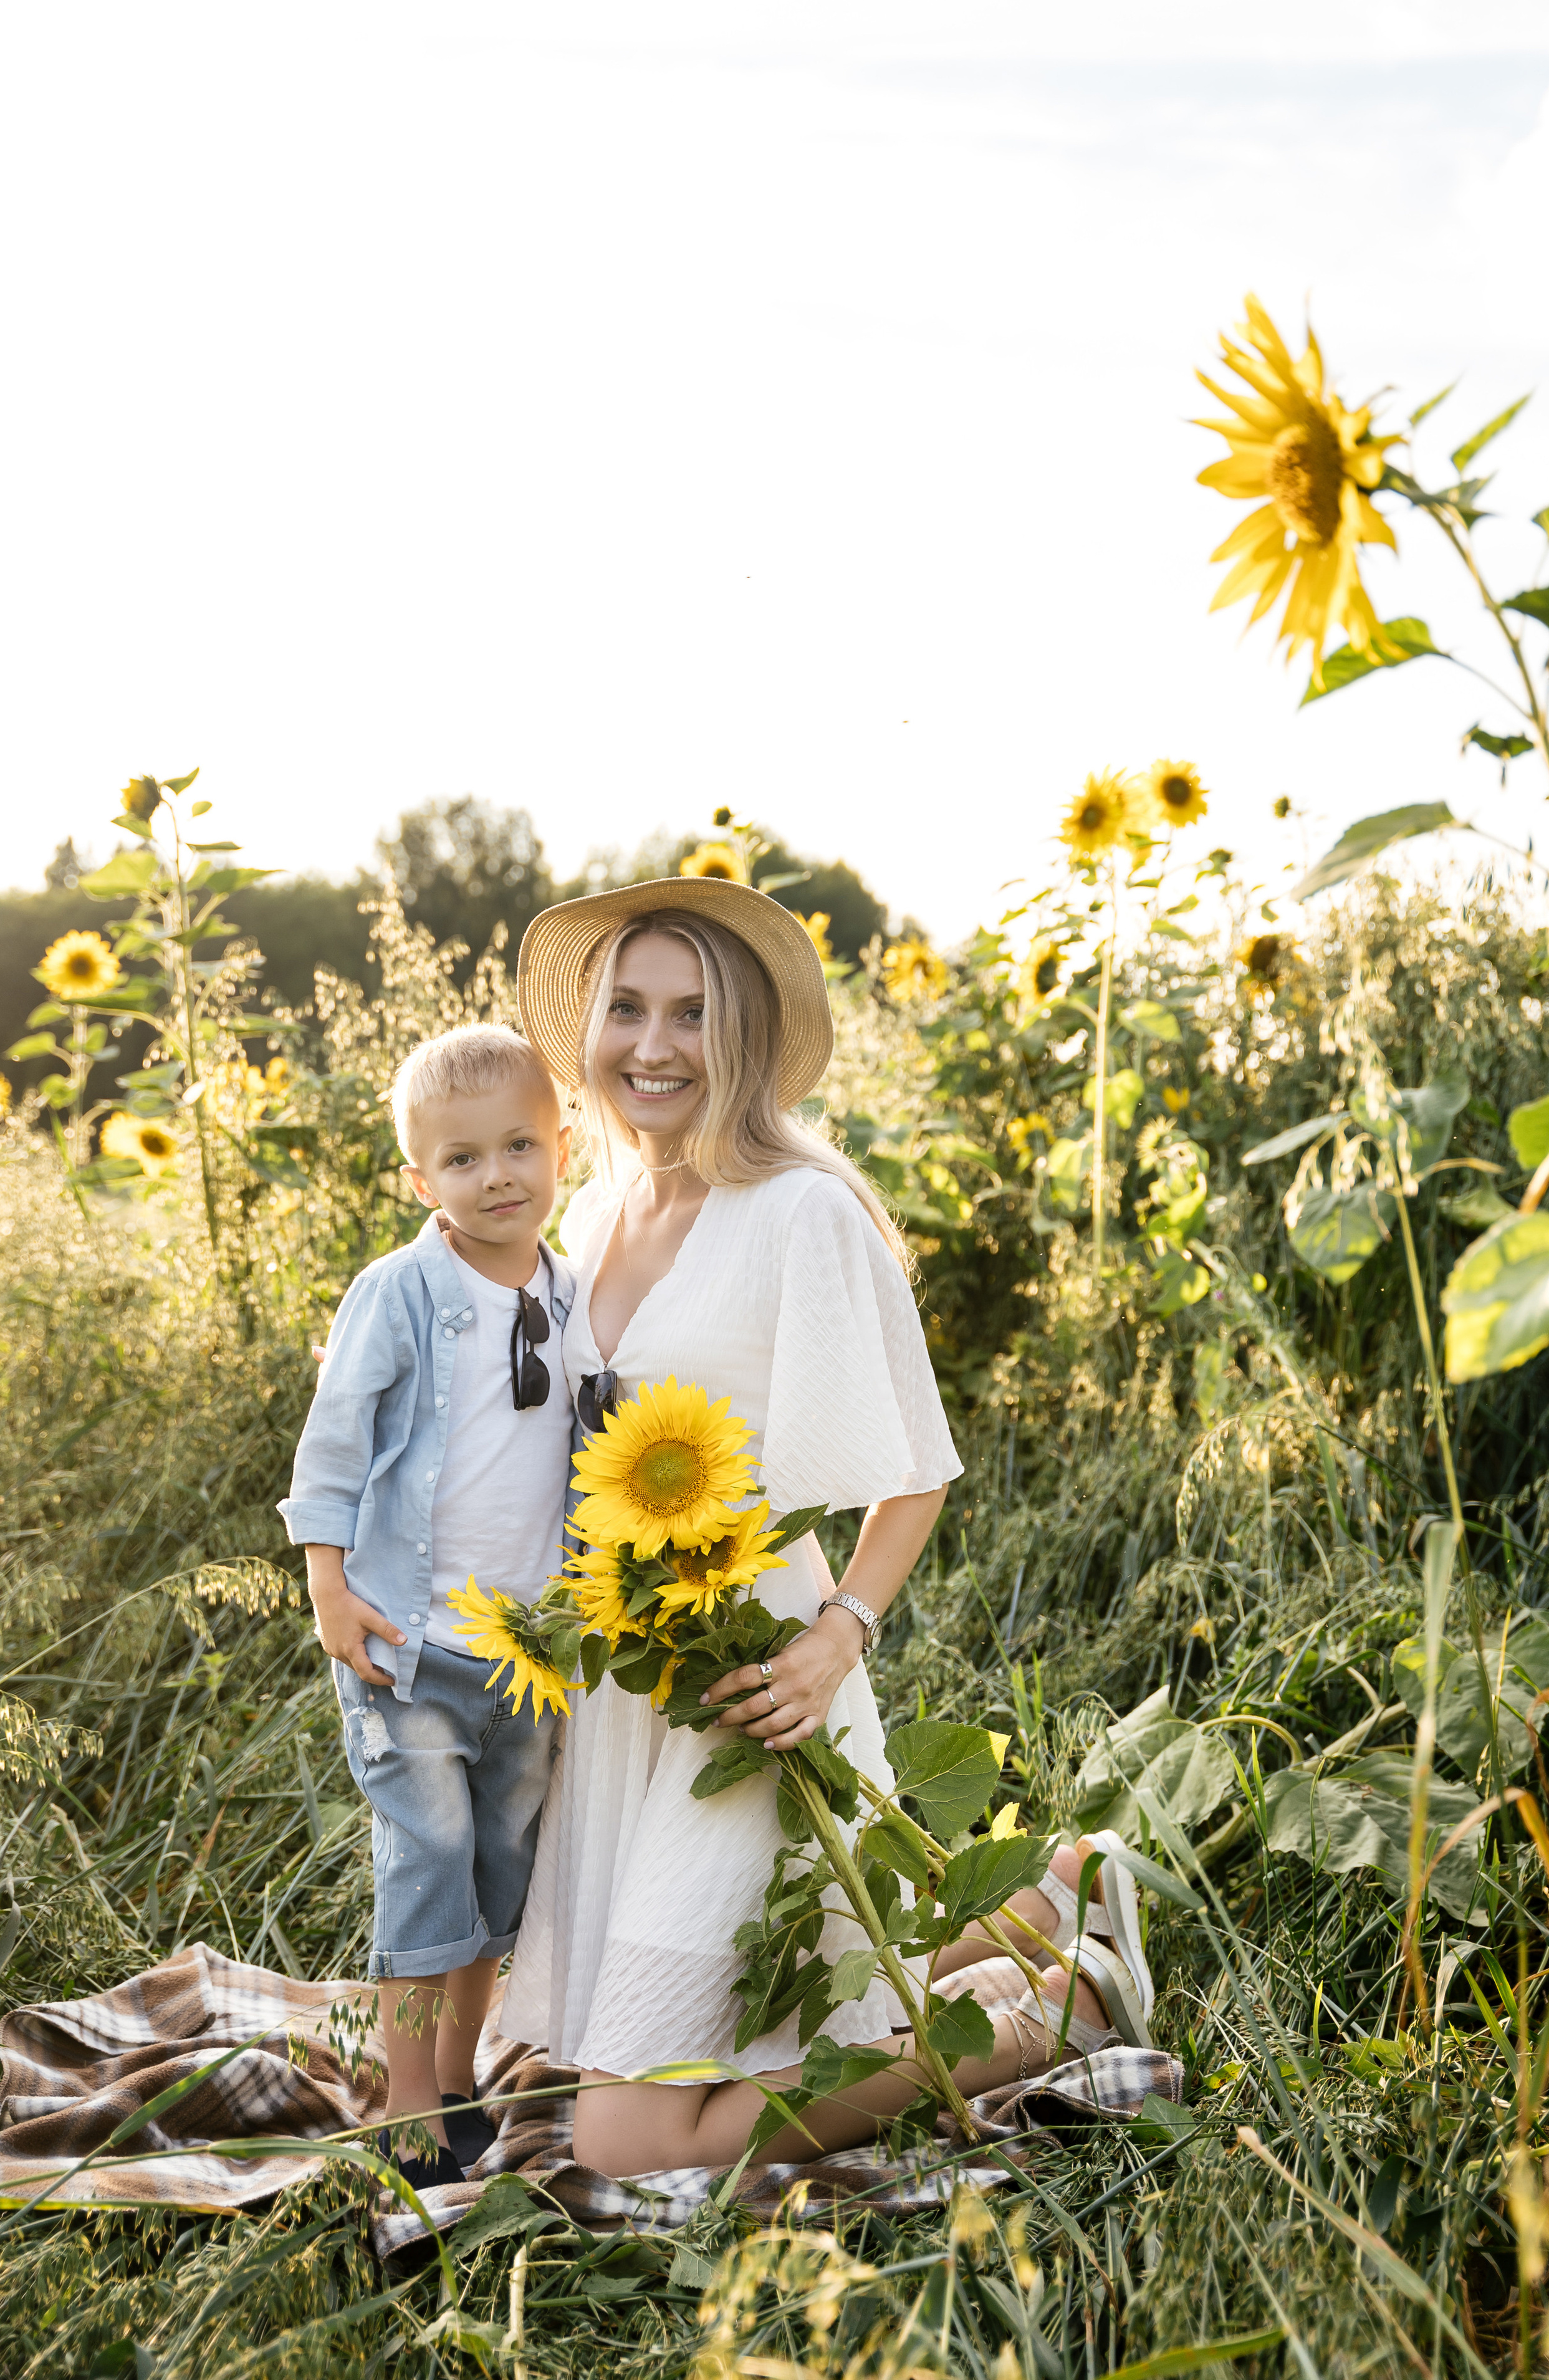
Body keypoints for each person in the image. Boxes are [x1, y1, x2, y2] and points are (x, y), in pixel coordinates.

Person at [502, 878, 1154, 2177]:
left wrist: (834, 1639)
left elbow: (912, 1468)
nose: (651, 1045)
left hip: (756, 1687)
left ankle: (1049, 2011)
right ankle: (1043, 1899)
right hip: (631, 1690)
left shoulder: (799, 1210)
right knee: (712, 2012)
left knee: (631, 2151)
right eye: (623, 1009)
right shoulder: (592, 1211)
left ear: (740, 1034)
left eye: (690, 1014)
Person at [277, 1023, 577, 2188]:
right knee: (427, 1857)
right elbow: (335, 1444)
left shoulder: (568, 1289)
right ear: (420, 1181)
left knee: (503, 1862)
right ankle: (406, 2103)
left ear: (564, 1146)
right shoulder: (400, 1293)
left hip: (528, 1649)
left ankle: (460, 2075)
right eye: (461, 1160)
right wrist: (328, 1588)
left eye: (518, 1146)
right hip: (407, 1639)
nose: (496, 1175)